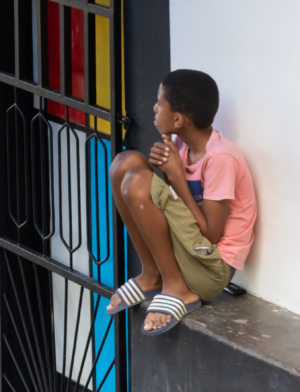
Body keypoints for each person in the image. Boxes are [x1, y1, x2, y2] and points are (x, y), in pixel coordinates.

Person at [106, 69, 257, 334]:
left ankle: (177, 288)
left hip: (211, 268)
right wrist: (169, 170)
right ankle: (152, 274)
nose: (154, 108)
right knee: (124, 163)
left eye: (159, 104)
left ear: (177, 119)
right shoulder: (182, 145)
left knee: (137, 181)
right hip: (190, 249)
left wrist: (175, 177)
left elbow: (211, 234)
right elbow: (178, 209)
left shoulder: (221, 159)